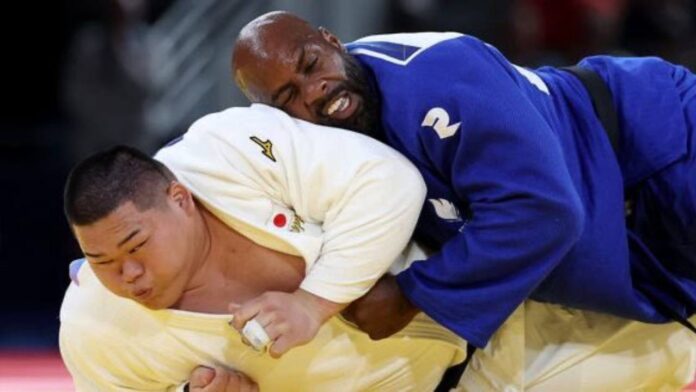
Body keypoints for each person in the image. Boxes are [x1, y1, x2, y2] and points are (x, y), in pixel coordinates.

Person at [232, 11, 696, 350]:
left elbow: (542, 210)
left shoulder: (433, 78)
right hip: (621, 211)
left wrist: (415, 294)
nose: (315, 91)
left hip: (656, 136)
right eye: (290, 95)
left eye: (311, 65)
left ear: (332, 41)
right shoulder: (316, 150)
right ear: (276, 118)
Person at [59, 104, 468, 391]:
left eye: (137, 246)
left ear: (179, 198)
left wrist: (314, 303)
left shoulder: (228, 151)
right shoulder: (94, 325)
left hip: (490, 342)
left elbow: (389, 181)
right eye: (102, 261)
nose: (127, 274)